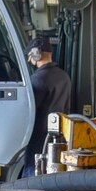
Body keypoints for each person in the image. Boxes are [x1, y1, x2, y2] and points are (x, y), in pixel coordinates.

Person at [23, 43, 75, 173]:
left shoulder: (38, 79)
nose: (30, 60)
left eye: (30, 56)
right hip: (59, 138)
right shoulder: (64, 77)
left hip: (38, 140)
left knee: (31, 175)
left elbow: (27, 111)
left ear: (36, 54)